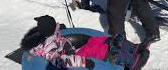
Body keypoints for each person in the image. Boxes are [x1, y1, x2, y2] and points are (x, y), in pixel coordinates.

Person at [20, 15, 150, 70]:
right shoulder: (49, 49)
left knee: (96, 40)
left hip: (72, 48)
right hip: (73, 56)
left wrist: (61, 29)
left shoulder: (48, 35)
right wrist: (83, 61)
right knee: (96, 49)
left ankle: (133, 48)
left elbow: (56, 32)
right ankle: (132, 61)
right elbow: (61, 61)